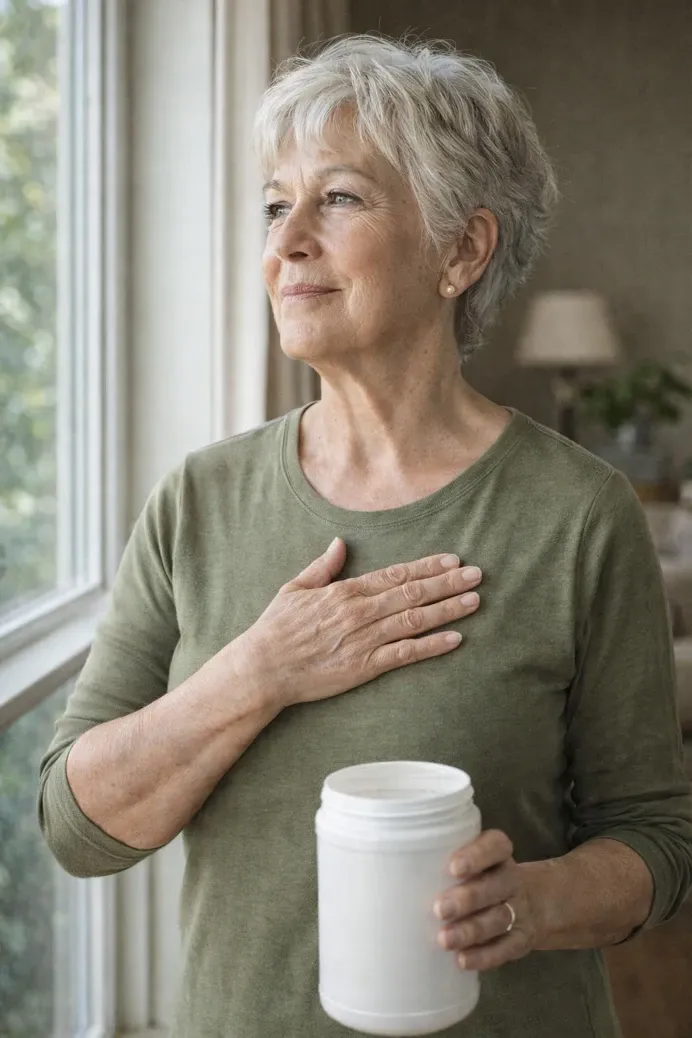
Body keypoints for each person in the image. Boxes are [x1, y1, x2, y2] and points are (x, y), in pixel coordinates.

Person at [39, 33, 692, 1038]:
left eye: (336, 198)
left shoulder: (577, 513)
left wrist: (537, 901)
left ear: (459, 250)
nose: (285, 240)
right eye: (272, 204)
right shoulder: (198, 500)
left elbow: (656, 836)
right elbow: (75, 828)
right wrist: (260, 670)